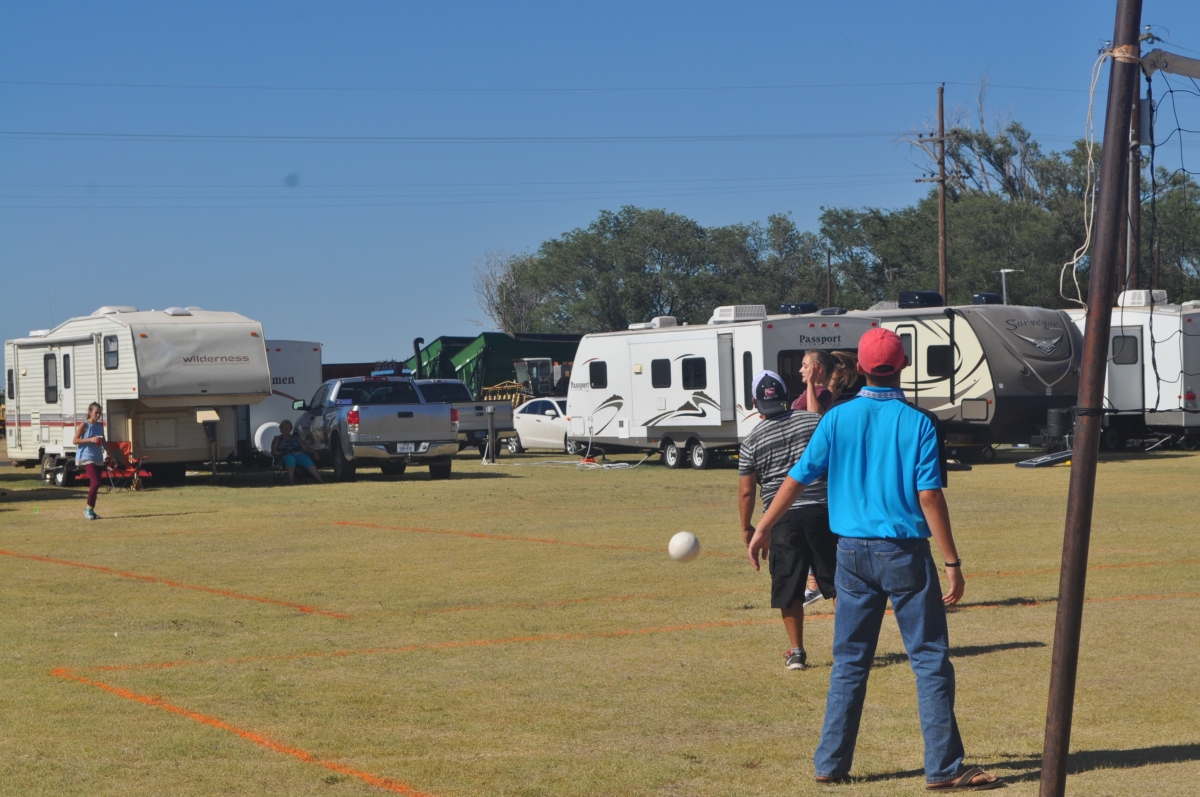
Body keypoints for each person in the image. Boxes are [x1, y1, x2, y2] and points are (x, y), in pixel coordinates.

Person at [747, 328, 1000, 790]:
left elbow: (798, 477)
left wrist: (763, 526)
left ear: (860, 368)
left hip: (850, 552)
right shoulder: (918, 422)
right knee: (929, 660)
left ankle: (830, 764)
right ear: (903, 366)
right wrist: (952, 561)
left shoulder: (835, 419)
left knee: (849, 662)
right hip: (903, 552)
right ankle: (944, 768)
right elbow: (929, 497)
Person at [738, 370, 837, 671]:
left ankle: (797, 652)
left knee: (789, 585)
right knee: (837, 582)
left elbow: (746, 492)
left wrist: (748, 527)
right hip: (823, 511)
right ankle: (850, 645)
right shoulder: (813, 421)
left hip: (780, 519)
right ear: (787, 396)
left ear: (754, 402)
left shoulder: (751, 440)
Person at [791, 350, 859, 414]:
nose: (800, 370)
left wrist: (811, 382)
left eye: (805, 366)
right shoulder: (816, 390)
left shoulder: (823, 391)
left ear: (819, 369)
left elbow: (814, 414)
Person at [73, 402, 106, 520]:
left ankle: (91, 510)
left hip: (98, 457)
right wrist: (90, 439)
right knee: (95, 482)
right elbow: (75, 440)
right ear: (90, 412)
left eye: (100, 413)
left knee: (96, 484)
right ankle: (88, 509)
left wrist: (112, 456)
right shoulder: (85, 424)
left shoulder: (100, 426)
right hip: (86, 457)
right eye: (96, 412)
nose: (98, 415)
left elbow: (104, 442)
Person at [271, 420, 323, 484]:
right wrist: (276, 452)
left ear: (290, 429)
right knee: (290, 458)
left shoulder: (295, 437)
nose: (286, 429)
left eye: (288, 427)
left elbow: (305, 447)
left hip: (298, 454)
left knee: (306, 459)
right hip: (283, 456)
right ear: (281, 429)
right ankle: (291, 481)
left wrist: (314, 452)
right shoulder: (277, 439)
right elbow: (273, 451)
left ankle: (320, 480)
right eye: (284, 427)